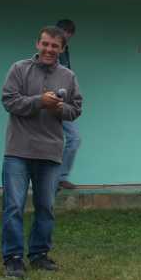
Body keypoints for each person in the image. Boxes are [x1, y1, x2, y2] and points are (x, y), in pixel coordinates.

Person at [0, 26, 83, 278]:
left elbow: (76, 109)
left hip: (50, 152)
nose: (49, 49)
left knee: (46, 207)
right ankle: (13, 258)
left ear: (62, 49)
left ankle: (39, 254)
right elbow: (9, 101)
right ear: (37, 44)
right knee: (14, 206)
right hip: (18, 150)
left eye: (55, 46)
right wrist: (39, 101)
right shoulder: (19, 69)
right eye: (45, 44)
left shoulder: (68, 76)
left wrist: (58, 108)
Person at [55, 19, 81, 190]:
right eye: (66, 34)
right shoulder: (52, 51)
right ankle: (50, 179)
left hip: (63, 104)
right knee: (47, 141)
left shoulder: (65, 51)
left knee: (74, 138)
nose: (67, 38)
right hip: (49, 102)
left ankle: (60, 177)